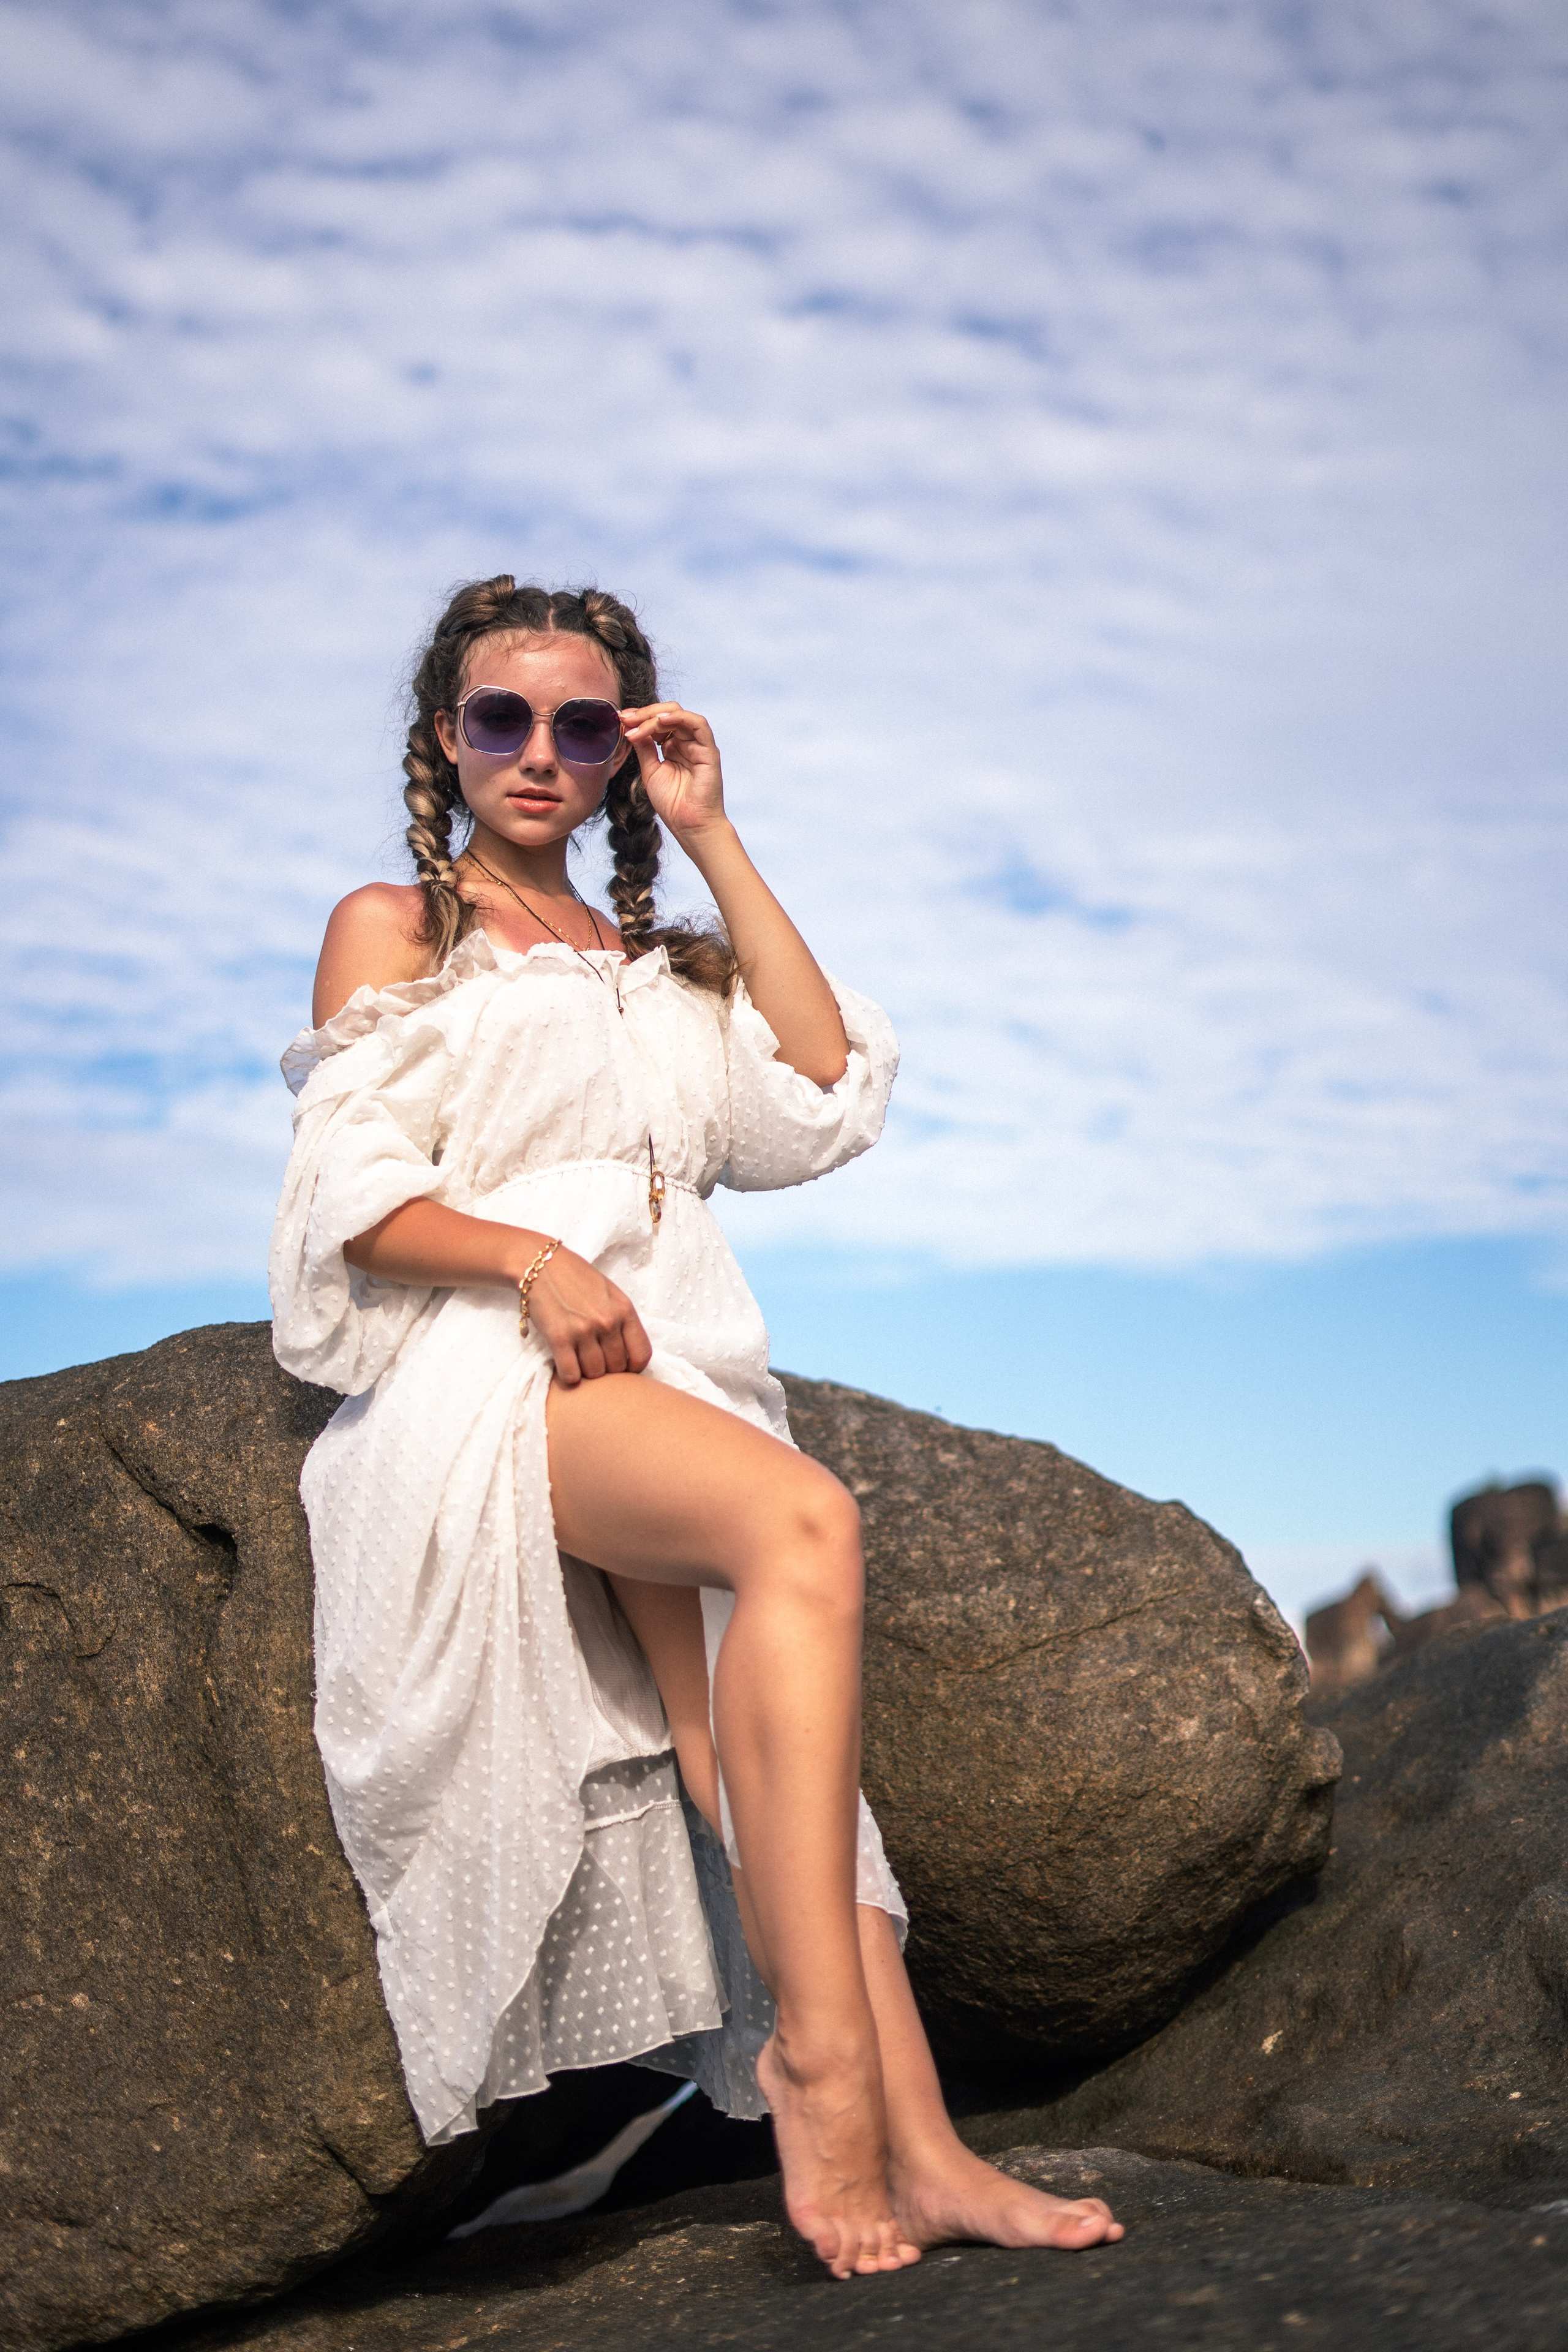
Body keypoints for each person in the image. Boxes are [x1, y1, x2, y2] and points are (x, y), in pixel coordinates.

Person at [270, 577, 1123, 2280]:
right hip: (500, 1373)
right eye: (499, 718)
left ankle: (933, 2147)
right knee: (805, 1526)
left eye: (582, 725)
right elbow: (347, 1197)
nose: (538, 753)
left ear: (622, 748)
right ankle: (816, 2068)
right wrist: (528, 1260)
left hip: (679, 1371)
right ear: (445, 736)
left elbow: (819, 1089)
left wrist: (716, 834)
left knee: (763, 1770)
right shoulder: (401, 923)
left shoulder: (662, 964)